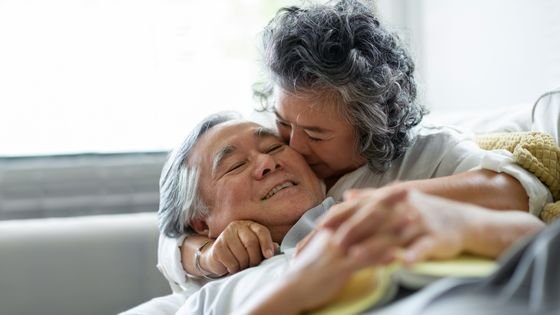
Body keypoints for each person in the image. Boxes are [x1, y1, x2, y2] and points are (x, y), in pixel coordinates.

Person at [157, 0, 551, 288]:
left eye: (315, 135)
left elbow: (520, 188)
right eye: (280, 123)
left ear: (370, 131)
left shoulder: (425, 155)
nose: (288, 146)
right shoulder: (267, 171)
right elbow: (174, 232)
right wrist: (202, 254)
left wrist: (398, 205)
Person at [122, 112, 544, 315]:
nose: (267, 162)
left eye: (273, 147)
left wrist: (456, 223)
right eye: (234, 165)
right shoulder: (212, 297)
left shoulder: (373, 197)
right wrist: (299, 289)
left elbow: (534, 237)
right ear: (202, 222)